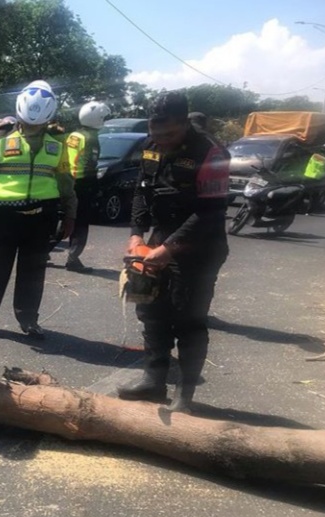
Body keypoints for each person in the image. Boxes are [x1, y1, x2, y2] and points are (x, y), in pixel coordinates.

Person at [117, 91, 229, 413]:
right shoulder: (150, 147)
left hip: (200, 247)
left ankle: (185, 395)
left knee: (188, 320)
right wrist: (136, 235)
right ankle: (153, 382)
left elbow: (210, 212)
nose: (161, 141)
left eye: (169, 134)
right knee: (151, 313)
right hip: (158, 239)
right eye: (156, 133)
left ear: (185, 122)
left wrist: (169, 249)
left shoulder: (211, 153)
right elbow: (141, 192)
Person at [0, 80, 77, 341]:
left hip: (42, 216)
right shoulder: (2, 137)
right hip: (4, 216)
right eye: (29, 122)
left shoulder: (57, 143)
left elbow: (66, 181)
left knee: (33, 271)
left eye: (38, 123)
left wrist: (71, 214)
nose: (32, 126)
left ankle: (28, 320)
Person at [65, 101, 110, 272]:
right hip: (83, 183)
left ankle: (43, 252)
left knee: (66, 218)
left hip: (68, 180)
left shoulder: (74, 135)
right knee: (81, 222)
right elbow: (90, 164)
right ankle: (73, 259)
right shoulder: (91, 138)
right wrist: (94, 186)